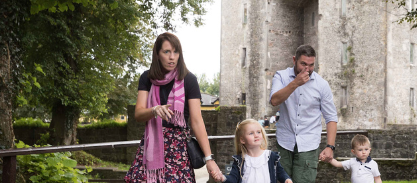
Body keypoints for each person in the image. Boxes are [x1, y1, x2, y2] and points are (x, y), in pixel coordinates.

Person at [125, 32, 222, 183]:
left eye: (176, 52)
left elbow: (197, 121)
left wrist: (209, 159)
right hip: (151, 147)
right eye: (166, 52)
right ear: (157, 54)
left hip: (178, 149)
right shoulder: (147, 78)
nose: (172, 57)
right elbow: (138, 114)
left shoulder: (189, 79)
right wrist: (154, 110)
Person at [269, 45, 338, 183]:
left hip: (309, 143)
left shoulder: (322, 84)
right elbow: (274, 100)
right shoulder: (281, 76)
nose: (307, 69)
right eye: (303, 64)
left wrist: (330, 147)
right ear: (294, 60)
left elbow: (331, 117)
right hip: (285, 141)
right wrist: (295, 83)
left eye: (311, 65)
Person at [212, 119, 292, 183]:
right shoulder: (240, 160)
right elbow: (233, 178)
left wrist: (286, 179)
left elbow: (280, 173)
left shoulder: (271, 156)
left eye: (258, 132)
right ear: (242, 140)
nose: (256, 135)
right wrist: (222, 178)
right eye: (251, 133)